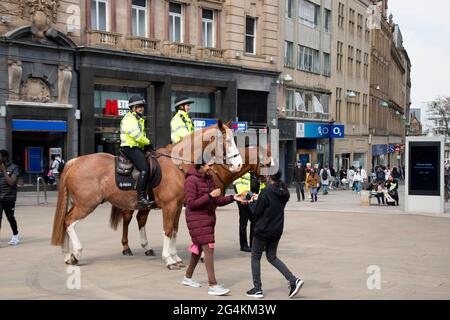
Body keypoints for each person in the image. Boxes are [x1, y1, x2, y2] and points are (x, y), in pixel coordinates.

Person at [182, 159, 238, 296]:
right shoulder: (191, 180)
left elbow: (216, 201)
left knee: (197, 248)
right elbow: (191, 204)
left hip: (207, 217)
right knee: (208, 248)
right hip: (196, 218)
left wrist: (234, 198)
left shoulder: (209, 179)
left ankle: (187, 277)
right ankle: (213, 285)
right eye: (210, 165)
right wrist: (209, 195)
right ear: (201, 165)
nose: (212, 168)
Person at [245, 169, 304, 299]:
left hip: (263, 230)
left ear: (269, 176)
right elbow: (270, 206)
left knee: (255, 257)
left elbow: (256, 213)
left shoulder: (266, 192)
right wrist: (257, 199)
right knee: (272, 257)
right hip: (276, 230)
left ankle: (257, 288)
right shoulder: (283, 191)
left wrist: (251, 202)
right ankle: (293, 280)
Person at [120, 95, 155, 208]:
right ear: (133, 108)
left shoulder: (138, 119)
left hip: (136, 147)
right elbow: (137, 136)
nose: (141, 108)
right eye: (139, 106)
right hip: (129, 147)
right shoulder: (129, 119)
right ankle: (140, 198)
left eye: (142, 106)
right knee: (144, 169)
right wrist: (148, 142)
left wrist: (146, 146)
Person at [0, 150, 20, 246]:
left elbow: (12, 182)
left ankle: (15, 235)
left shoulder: (14, 168)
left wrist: (4, 171)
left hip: (9, 198)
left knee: (10, 218)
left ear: (4, 157)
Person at [233, 172, 254, 252]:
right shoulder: (240, 171)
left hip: (252, 198)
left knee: (255, 221)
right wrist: (245, 197)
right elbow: (237, 184)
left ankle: (253, 244)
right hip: (243, 199)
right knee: (243, 223)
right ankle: (244, 245)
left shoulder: (252, 172)